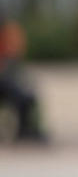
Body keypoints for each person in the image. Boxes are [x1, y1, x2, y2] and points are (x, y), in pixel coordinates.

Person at [0, 9, 45, 142]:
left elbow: (12, 60)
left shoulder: (9, 33)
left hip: (5, 81)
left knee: (25, 95)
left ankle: (25, 129)